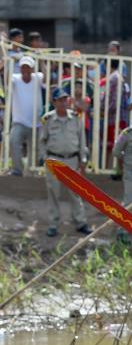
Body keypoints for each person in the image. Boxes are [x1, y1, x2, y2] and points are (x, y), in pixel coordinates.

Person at [39, 88, 89, 238]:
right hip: (54, 160)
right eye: (59, 100)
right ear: (54, 102)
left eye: (65, 99)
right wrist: (45, 158)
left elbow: (82, 140)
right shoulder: (48, 119)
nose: (63, 102)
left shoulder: (75, 118)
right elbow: (42, 141)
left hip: (72, 160)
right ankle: (53, 225)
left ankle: (80, 222)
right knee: (54, 193)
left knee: (75, 192)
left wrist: (83, 159)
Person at [9, 56, 44, 177]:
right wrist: (7, 61)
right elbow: (7, 79)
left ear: (32, 69)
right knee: (13, 141)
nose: (25, 70)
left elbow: (48, 76)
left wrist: (43, 59)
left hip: (36, 123)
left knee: (34, 150)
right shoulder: (15, 78)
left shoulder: (38, 77)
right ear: (20, 69)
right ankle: (17, 170)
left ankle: (30, 173)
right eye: (23, 67)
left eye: (28, 67)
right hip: (19, 121)